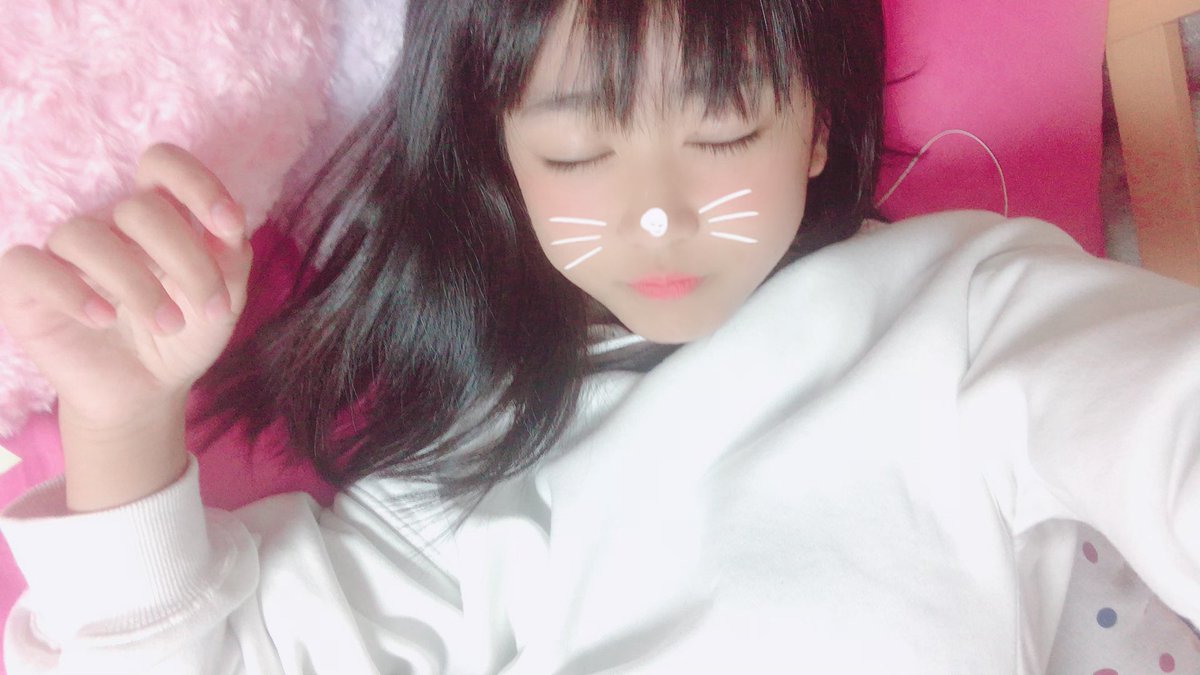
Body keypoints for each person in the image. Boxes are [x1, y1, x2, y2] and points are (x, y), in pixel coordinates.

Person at [0, 0, 1197, 672]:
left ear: (820, 128)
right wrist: (121, 421)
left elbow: (1157, 413)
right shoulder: (459, 492)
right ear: (502, 159)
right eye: (577, 152)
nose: (658, 214)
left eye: (724, 134)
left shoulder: (958, 311)